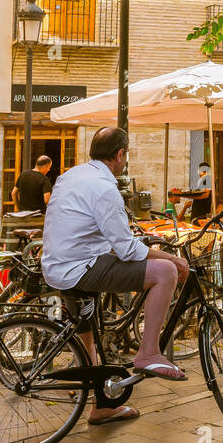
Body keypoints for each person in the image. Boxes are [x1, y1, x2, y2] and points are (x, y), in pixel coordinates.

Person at [42, 126, 190, 425]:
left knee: (89, 336)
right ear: (120, 154)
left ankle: (101, 406)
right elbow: (126, 250)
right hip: (80, 267)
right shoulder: (106, 187)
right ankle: (148, 353)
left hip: (56, 265)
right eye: (126, 155)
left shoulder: (71, 175)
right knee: (165, 272)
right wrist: (173, 258)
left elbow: (86, 223)